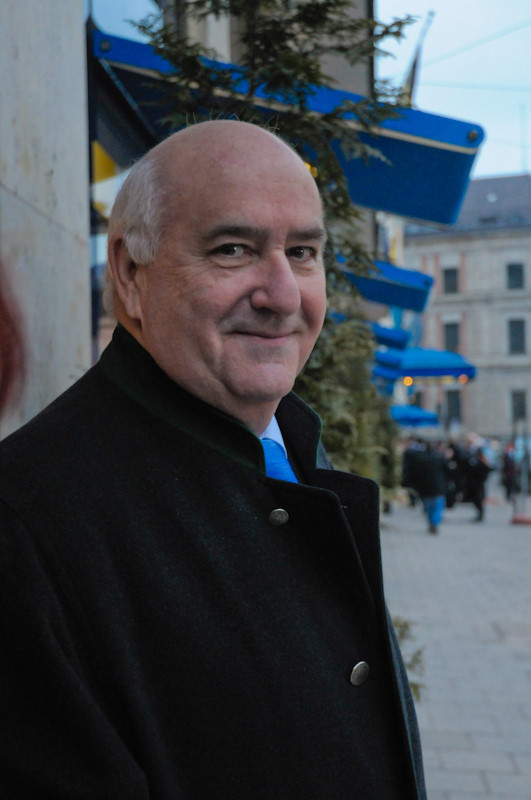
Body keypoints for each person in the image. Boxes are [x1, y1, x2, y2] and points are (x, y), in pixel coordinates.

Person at [0, 121, 425, 799]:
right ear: (129, 274)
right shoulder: (26, 524)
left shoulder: (290, 445)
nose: (283, 295)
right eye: (233, 250)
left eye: (303, 252)